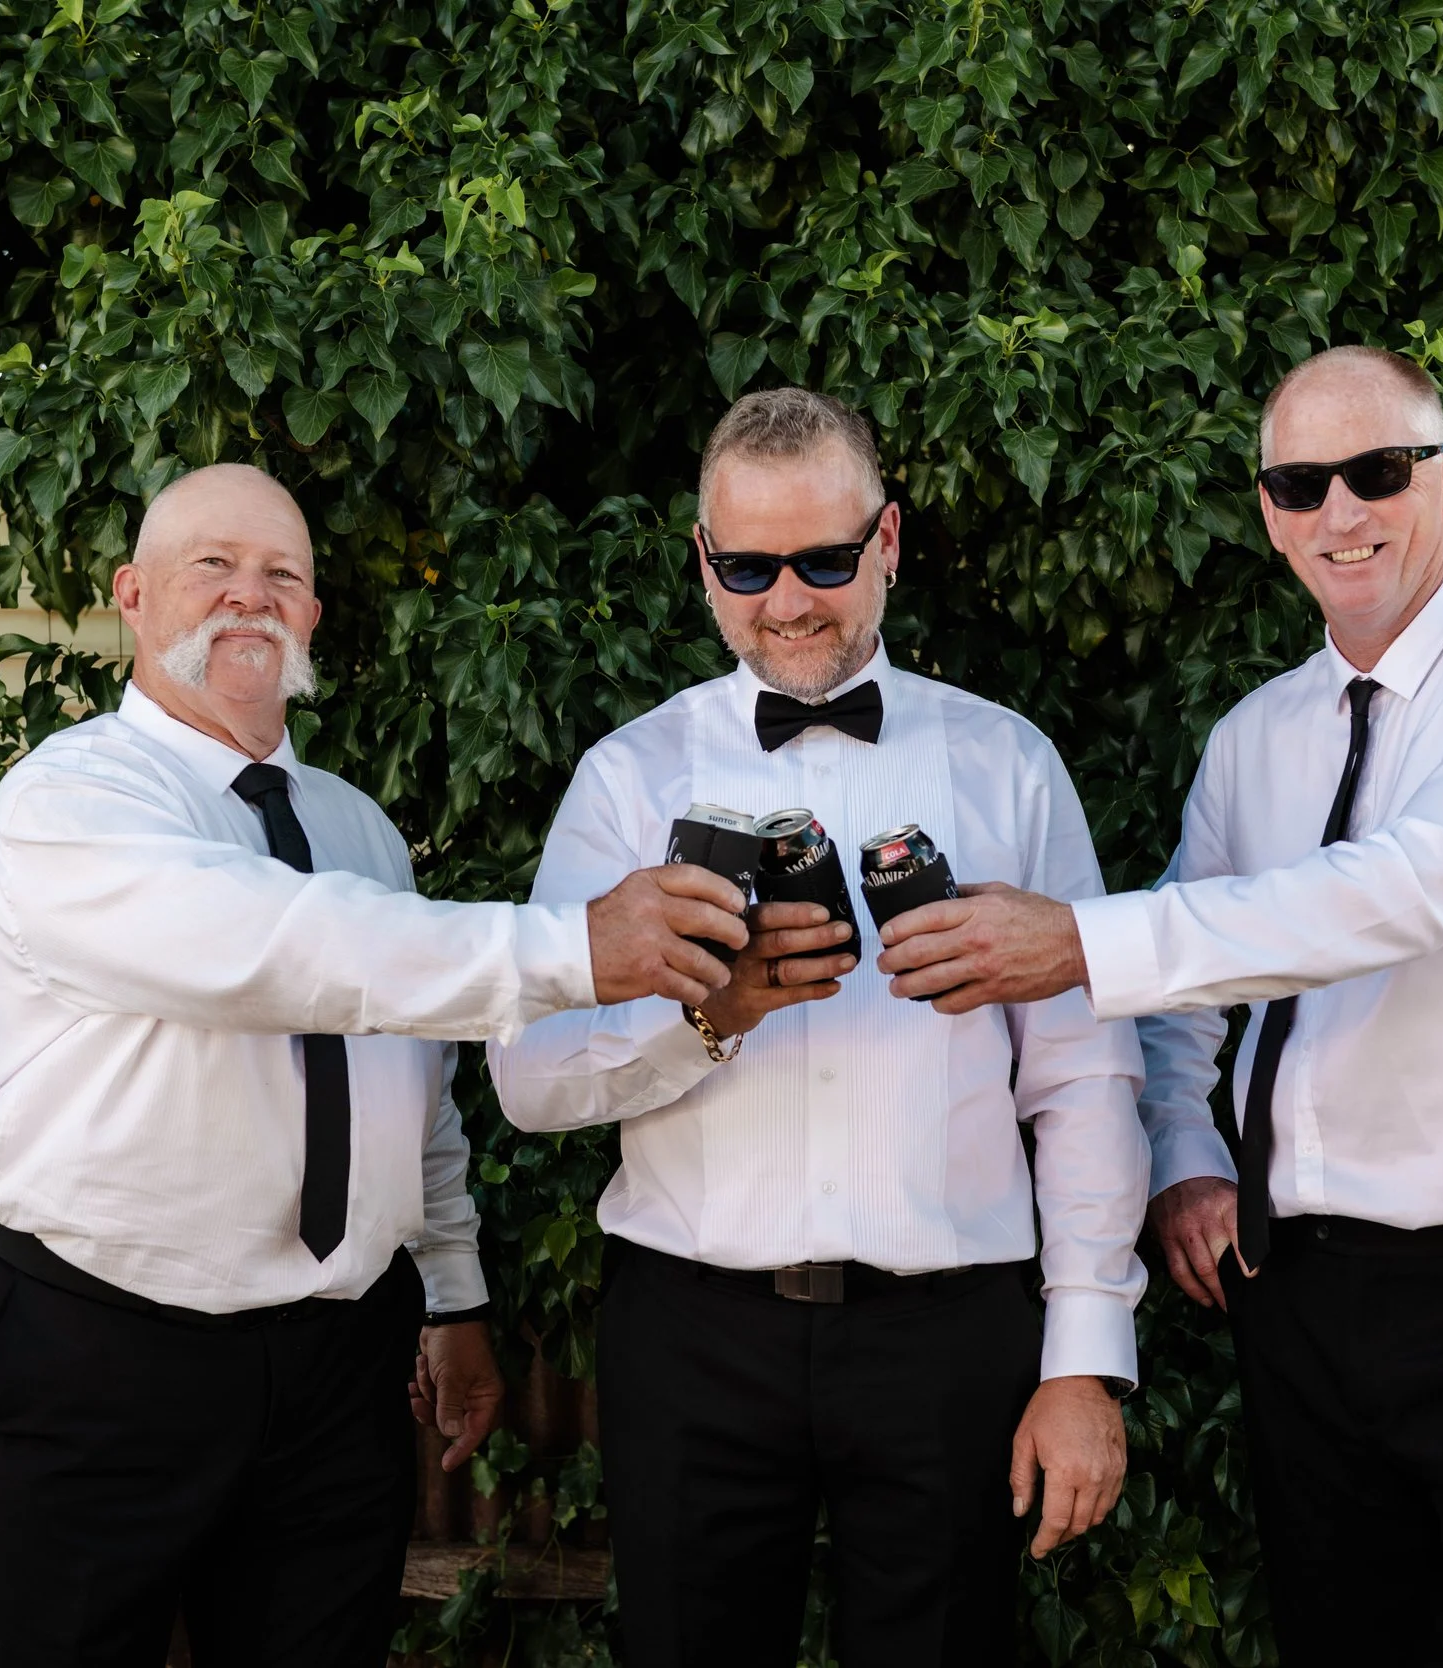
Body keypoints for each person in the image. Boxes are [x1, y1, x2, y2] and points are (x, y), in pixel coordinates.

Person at [877, 347, 1443, 1665]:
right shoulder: (1257, 734)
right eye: (1302, 483)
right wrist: (1188, 1163)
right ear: (1267, 514)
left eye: (1377, 473)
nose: (1340, 512)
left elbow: (1397, 897)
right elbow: (1190, 1013)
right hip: (1301, 1304)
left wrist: (1074, 941)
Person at [0, 462, 749, 1668]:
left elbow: (407, 1084)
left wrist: (453, 1293)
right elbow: (286, 950)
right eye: (212, 566)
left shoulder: (359, 828)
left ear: (313, 615)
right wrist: (576, 949)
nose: (249, 597)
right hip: (100, 1351)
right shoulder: (70, 798)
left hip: (333, 1369)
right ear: (132, 595)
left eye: (284, 576)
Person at [488, 389, 1151, 1668]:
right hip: (693, 1334)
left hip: (947, 1336)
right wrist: (706, 1019)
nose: (786, 600)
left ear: (888, 541)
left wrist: (1082, 1361)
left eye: (825, 561)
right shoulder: (628, 777)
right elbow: (530, 1080)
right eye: (745, 566)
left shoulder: (1010, 765)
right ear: (701, 561)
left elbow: (1083, 1080)